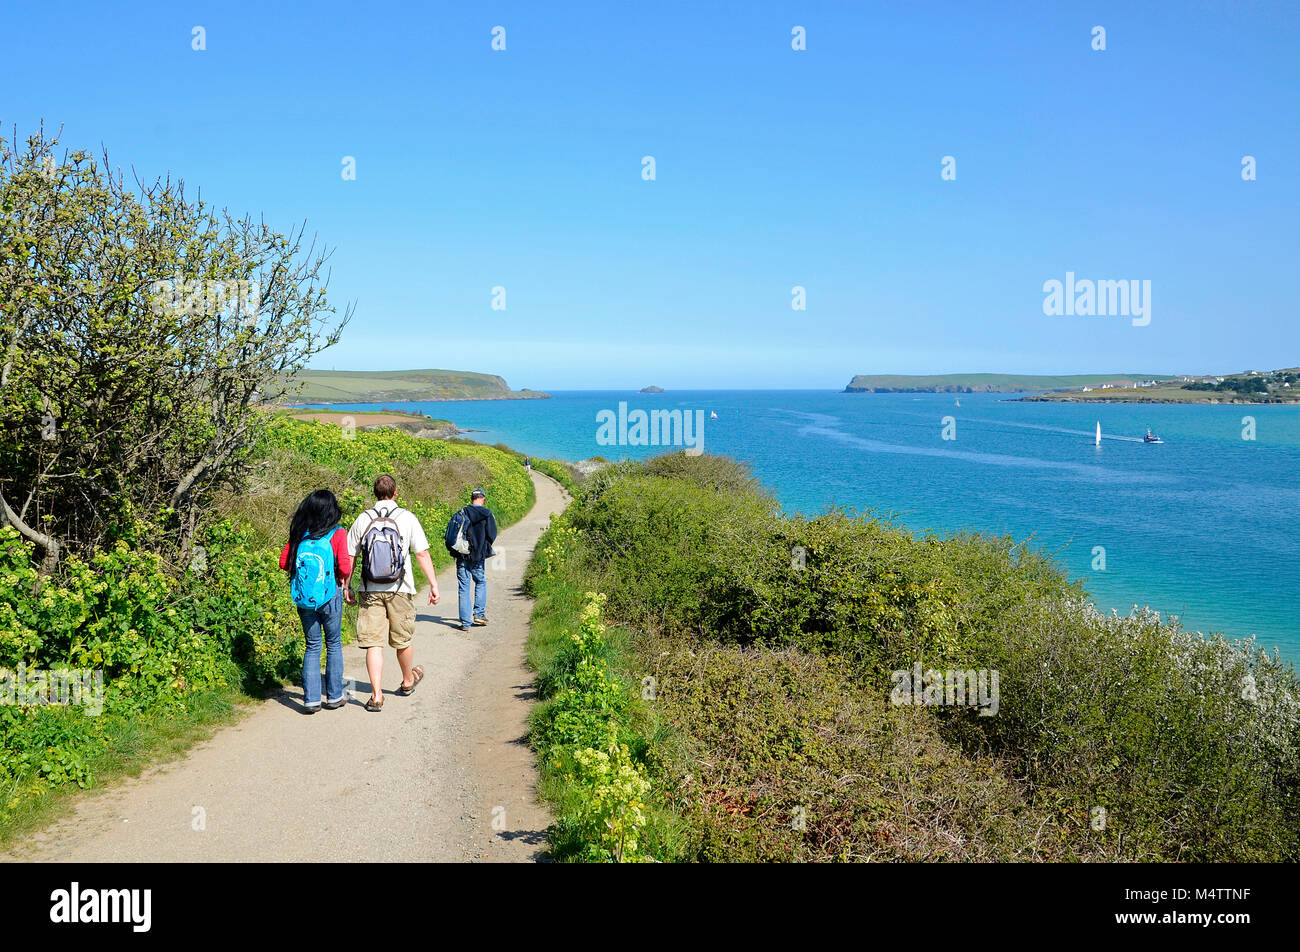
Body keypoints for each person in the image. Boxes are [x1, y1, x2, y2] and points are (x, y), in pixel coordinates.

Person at [345, 474, 440, 712]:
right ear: (396, 492)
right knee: (402, 639)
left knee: (373, 643)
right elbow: (422, 554)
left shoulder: (363, 518)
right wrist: (433, 585)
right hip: (401, 588)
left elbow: (351, 557)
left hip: (370, 589)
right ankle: (408, 681)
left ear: (374, 493)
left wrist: (346, 586)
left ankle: (376, 696)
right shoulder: (407, 517)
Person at [280, 489, 352, 714]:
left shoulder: (301, 533)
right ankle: (334, 696)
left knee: (312, 646)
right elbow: (345, 567)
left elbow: (284, 563)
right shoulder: (337, 533)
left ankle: (311, 700)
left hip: (305, 599)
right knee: (333, 644)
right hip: (330, 596)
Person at [445, 488, 498, 631]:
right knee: (480, 582)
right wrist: (483, 546)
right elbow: (492, 534)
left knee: (464, 587)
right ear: (483, 499)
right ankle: (479, 614)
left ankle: (465, 623)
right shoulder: (487, 514)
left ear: (471, 498)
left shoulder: (462, 512)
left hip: (462, 555)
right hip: (478, 556)